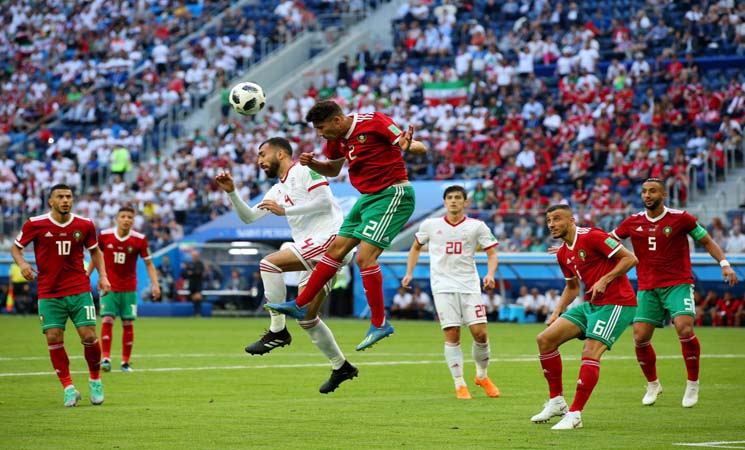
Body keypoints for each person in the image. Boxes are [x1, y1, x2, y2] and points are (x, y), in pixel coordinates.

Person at [266, 100, 427, 351]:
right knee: (335, 250)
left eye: (321, 128)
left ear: (337, 120)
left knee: (364, 258)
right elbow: (333, 169)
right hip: (367, 198)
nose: (320, 133)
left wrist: (410, 145)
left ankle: (379, 323)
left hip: (392, 193)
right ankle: (300, 304)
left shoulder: (374, 121)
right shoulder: (335, 139)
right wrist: (312, 163)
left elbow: (417, 147)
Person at [215, 137, 357, 393]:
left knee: (269, 264)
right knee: (307, 318)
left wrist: (285, 211)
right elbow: (249, 217)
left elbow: (324, 202)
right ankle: (341, 366)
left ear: (280, 154)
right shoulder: (276, 190)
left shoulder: (304, 170)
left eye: (263, 154)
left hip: (331, 240)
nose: (259, 161)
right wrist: (232, 193)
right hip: (315, 252)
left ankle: (277, 330)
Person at [610, 178, 739, 408]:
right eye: (644, 191)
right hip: (647, 287)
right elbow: (608, 240)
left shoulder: (681, 218)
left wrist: (725, 264)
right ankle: (653, 384)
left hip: (677, 283)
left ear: (663, 195)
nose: (647, 195)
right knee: (640, 338)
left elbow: (707, 241)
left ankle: (692, 383)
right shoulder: (632, 221)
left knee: (684, 327)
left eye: (652, 191)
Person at [532, 204, 638, 430]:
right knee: (545, 339)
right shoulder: (563, 253)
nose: (551, 224)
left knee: (590, 352)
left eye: (557, 219)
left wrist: (605, 280)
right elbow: (572, 287)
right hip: (592, 304)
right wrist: (557, 311)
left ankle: (575, 414)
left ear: (571, 221)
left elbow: (630, 259)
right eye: (549, 220)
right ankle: (557, 402)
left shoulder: (592, 236)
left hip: (617, 302)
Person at [10, 183, 111, 407]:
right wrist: (23, 263)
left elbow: (95, 251)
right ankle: (68, 388)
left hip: (78, 289)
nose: (65, 200)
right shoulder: (35, 223)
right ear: (51, 201)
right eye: (60, 196)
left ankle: (95, 380)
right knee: (53, 337)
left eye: (68, 196)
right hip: (49, 292)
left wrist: (103, 276)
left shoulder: (85, 224)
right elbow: (16, 248)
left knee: (89, 336)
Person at [401, 185, 501, 400]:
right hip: (442, 286)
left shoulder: (477, 226)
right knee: (452, 333)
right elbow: (415, 247)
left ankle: (482, 376)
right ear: (445, 202)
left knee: (480, 333)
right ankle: (459, 383)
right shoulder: (430, 225)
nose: (453, 201)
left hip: (469, 285)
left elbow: (492, 254)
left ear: (466, 202)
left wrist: (490, 274)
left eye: (457, 197)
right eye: (449, 198)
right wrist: (409, 273)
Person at [91, 206, 161, 373]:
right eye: (123, 216)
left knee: (128, 323)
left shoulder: (140, 239)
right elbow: (95, 256)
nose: (126, 220)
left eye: (129, 217)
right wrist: (86, 276)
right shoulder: (105, 236)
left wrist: (155, 284)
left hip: (129, 288)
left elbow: (149, 263)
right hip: (109, 287)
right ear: (117, 218)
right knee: (107, 319)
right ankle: (106, 358)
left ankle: (125, 362)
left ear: (133, 220)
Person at [183, 250, 205, 316]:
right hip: (191, 285)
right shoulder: (190, 264)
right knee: (193, 298)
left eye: (195, 256)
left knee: (198, 297)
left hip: (198, 284)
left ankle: (198, 312)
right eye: (193, 256)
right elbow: (185, 273)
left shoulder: (200, 264)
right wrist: (191, 273)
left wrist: (191, 273)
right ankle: (196, 312)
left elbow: (198, 273)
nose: (194, 257)